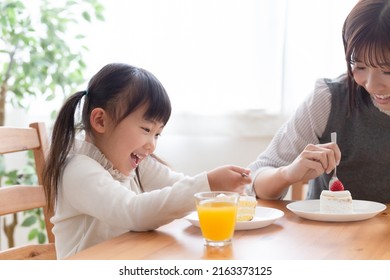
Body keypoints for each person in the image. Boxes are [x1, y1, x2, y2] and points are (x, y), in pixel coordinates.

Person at [42, 63, 252, 259]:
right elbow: (133, 211)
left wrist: (217, 191)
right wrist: (209, 183)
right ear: (100, 120)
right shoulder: (77, 170)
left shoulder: (135, 163)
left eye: (157, 134)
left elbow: (178, 184)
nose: (152, 145)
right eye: (146, 129)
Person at [248, 0, 390, 203]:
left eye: (387, 70)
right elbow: (255, 178)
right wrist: (288, 174)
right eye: (359, 66)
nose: (372, 85)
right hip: (324, 234)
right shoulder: (328, 99)